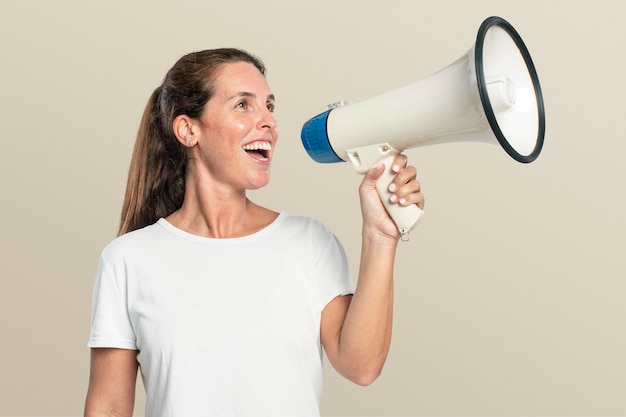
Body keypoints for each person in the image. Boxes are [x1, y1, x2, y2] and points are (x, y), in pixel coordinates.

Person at [84, 48, 424, 417]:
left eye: (269, 106)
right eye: (243, 105)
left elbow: (361, 366)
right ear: (188, 129)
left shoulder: (309, 242)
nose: (268, 122)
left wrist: (380, 237)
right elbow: (110, 407)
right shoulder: (128, 260)